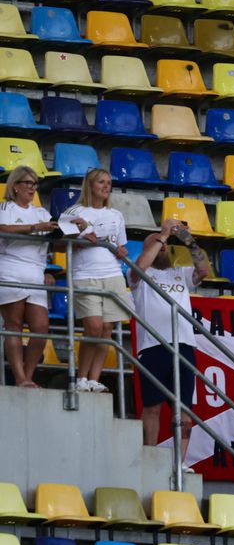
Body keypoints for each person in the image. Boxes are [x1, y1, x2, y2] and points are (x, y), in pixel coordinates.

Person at [131, 219, 210, 450]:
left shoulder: (181, 273)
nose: (162, 246)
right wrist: (163, 234)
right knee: (152, 406)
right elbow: (138, 268)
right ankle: (149, 453)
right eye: (156, 243)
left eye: (165, 244)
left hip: (184, 345)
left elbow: (203, 270)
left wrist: (188, 239)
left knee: (184, 409)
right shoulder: (138, 276)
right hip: (153, 346)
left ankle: (180, 461)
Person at [59, 168, 129, 393]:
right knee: (93, 327)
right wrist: (79, 238)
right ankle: (81, 378)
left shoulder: (116, 214)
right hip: (85, 275)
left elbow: (121, 245)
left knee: (107, 329)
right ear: (89, 185)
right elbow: (58, 244)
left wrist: (122, 251)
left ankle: (94, 379)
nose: (106, 186)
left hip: (113, 274)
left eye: (108, 182)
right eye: (101, 182)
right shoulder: (75, 211)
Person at [0, 165, 58, 388]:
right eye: (28, 183)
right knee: (13, 325)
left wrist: (73, 228)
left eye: (35, 184)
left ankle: (28, 375)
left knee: (41, 327)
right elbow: (3, 228)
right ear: (15, 186)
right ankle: (20, 378)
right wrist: (35, 227)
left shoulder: (42, 212)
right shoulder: (6, 207)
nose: (33, 188)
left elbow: (57, 240)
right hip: (10, 269)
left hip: (35, 273)